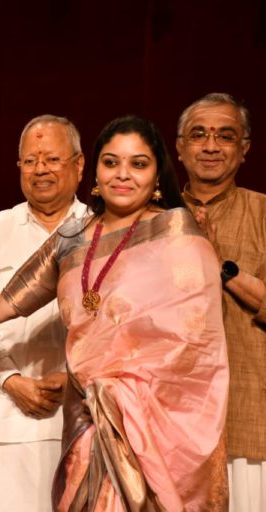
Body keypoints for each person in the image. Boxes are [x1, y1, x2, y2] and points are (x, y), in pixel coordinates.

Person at [0, 115, 229, 511]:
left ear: (157, 174)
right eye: (112, 162)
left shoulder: (178, 236)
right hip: (88, 423)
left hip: (153, 433)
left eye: (138, 164)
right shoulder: (73, 239)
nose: (123, 175)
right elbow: (5, 303)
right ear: (96, 170)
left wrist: (117, 390)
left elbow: (197, 352)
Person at [0, 114, 88, 511]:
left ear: (79, 165)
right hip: (6, 413)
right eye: (30, 161)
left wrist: (73, 376)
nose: (40, 170)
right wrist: (11, 379)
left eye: (52, 159)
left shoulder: (98, 229)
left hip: (82, 416)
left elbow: (117, 326)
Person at [176, 92, 266, 512]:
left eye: (225, 136)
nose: (210, 146)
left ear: (244, 150)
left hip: (248, 421)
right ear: (179, 147)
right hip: (168, 423)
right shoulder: (155, 217)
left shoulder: (262, 213)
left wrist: (224, 270)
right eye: (199, 135)